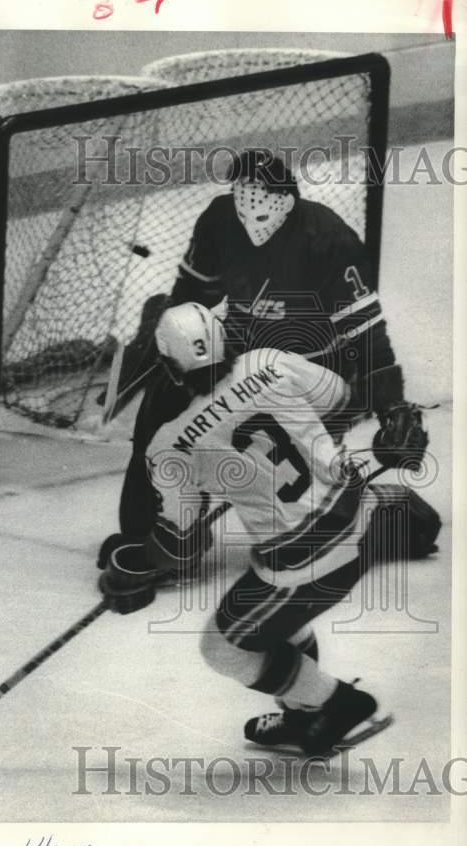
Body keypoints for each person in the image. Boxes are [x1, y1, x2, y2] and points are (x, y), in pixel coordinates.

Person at [98, 303, 439, 758]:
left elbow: (181, 546)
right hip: (363, 516)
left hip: (309, 560)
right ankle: (302, 718)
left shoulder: (169, 444)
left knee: (223, 648)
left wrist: (131, 564)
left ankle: (341, 704)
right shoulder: (268, 362)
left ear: (171, 368)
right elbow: (342, 405)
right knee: (270, 621)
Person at [100, 147, 419, 562]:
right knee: (166, 399)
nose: (252, 217)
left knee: (247, 428)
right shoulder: (219, 219)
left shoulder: (327, 237)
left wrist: (393, 407)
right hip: (248, 362)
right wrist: (183, 355)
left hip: (319, 374)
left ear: (288, 201)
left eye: (264, 206)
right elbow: (191, 297)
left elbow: (368, 338)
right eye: (242, 198)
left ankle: (366, 516)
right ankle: (157, 527)